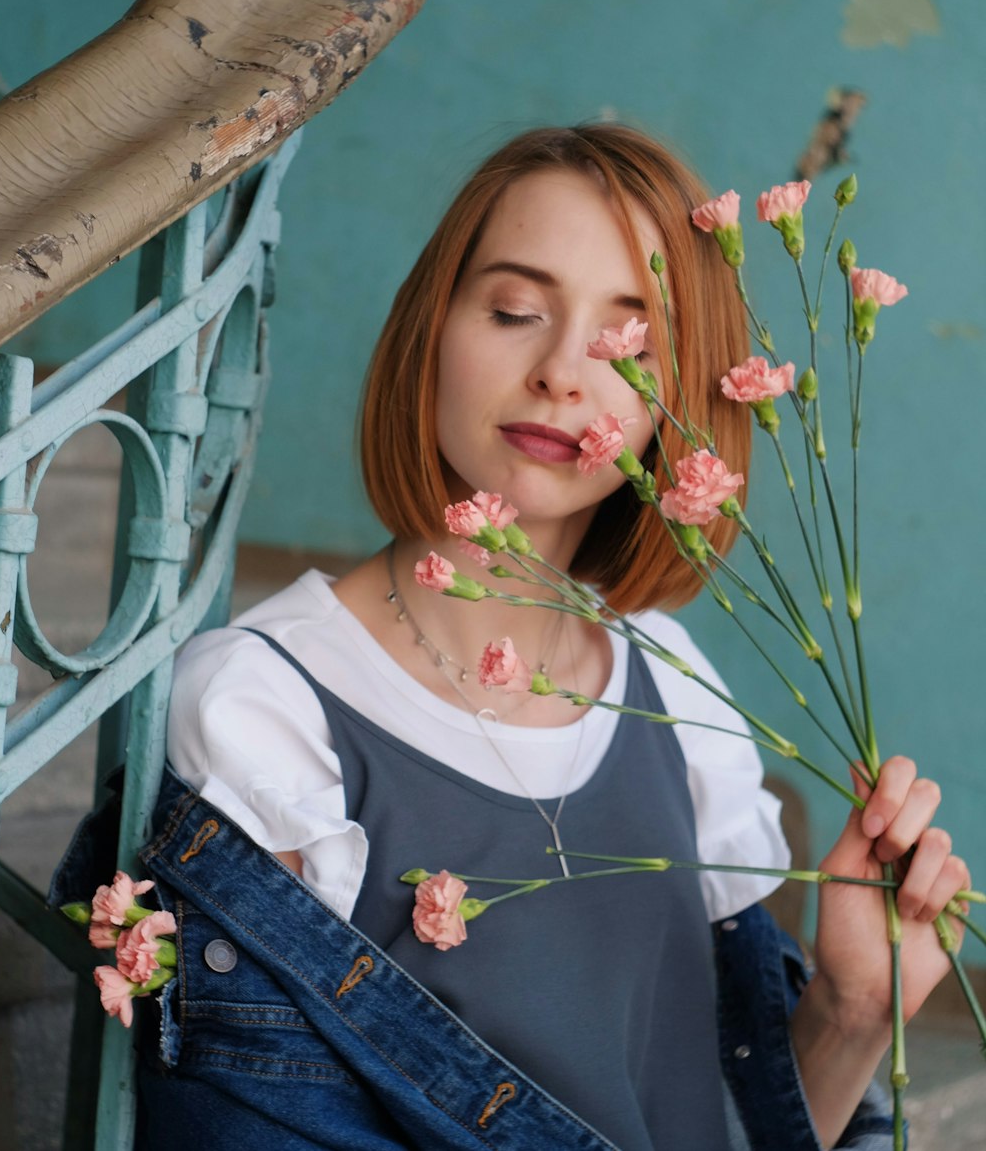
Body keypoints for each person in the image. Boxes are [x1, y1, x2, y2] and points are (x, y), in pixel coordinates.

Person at [144, 125, 968, 1151]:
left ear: (683, 406)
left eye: (629, 343)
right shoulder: (262, 713)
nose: (561, 373)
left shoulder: (671, 683)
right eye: (515, 310)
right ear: (430, 329)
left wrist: (852, 1012)